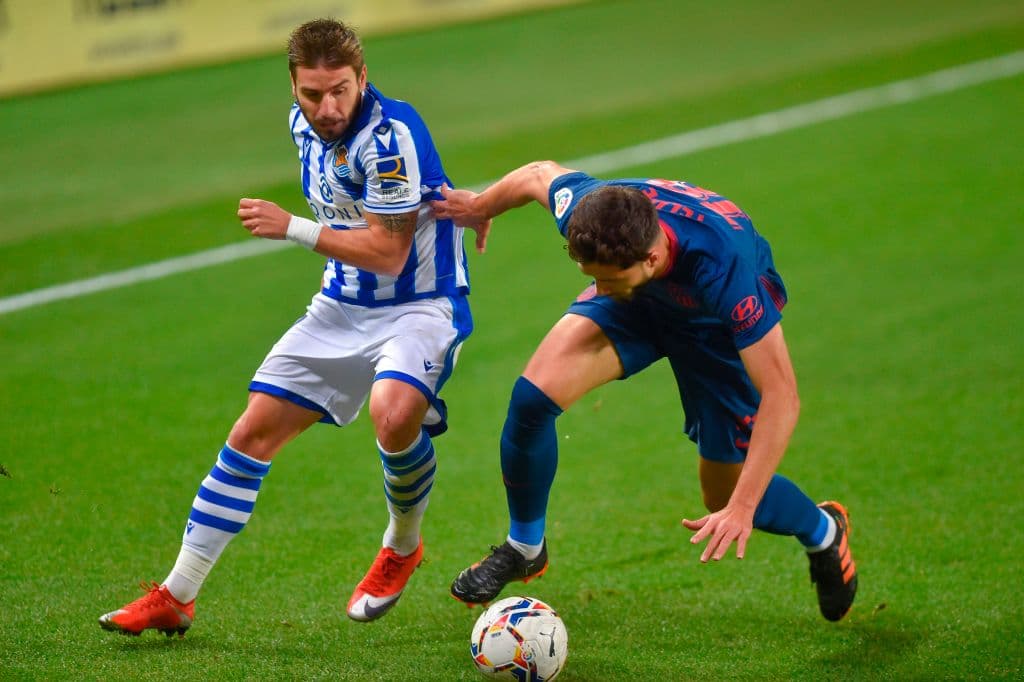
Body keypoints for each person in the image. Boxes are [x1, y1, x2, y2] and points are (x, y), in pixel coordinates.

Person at [99, 18, 472, 636]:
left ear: (363, 78)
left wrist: (292, 226)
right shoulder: (303, 125)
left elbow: (390, 253)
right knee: (251, 432)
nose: (327, 108)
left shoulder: (390, 135)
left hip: (419, 303)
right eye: (312, 94)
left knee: (391, 412)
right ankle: (177, 593)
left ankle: (402, 546)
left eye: (341, 91)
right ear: (294, 89)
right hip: (341, 305)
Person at [430, 160, 858, 622]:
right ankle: (525, 547)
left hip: (711, 332)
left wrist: (743, 507)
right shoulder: (593, 212)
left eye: (606, 279)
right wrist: (479, 205)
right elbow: (538, 175)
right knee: (532, 398)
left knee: (722, 495)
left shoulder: (725, 271)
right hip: (638, 304)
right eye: (591, 277)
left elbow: (782, 395)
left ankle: (822, 530)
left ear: (651, 258)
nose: (597, 288)